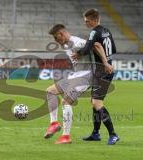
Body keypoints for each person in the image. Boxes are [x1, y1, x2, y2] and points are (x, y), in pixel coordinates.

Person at [44, 24, 110, 144]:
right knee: (50, 91)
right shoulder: (66, 44)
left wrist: (105, 63)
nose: (55, 40)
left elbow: (96, 45)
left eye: (56, 37)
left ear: (61, 34)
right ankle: (53, 124)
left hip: (86, 76)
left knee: (66, 102)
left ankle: (66, 136)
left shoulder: (77, 42)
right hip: (75, 75)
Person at [76, 8, 119, 145]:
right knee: (94, 104)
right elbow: (114, 49)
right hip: (104, 68)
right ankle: (95, 133)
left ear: (95, 20)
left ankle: (113, 134)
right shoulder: (106, 31)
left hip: (103, 70)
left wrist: (79, 53)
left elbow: (88, 47)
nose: (86, 24)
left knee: (97, 103)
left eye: (87, 21)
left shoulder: (94, 32)